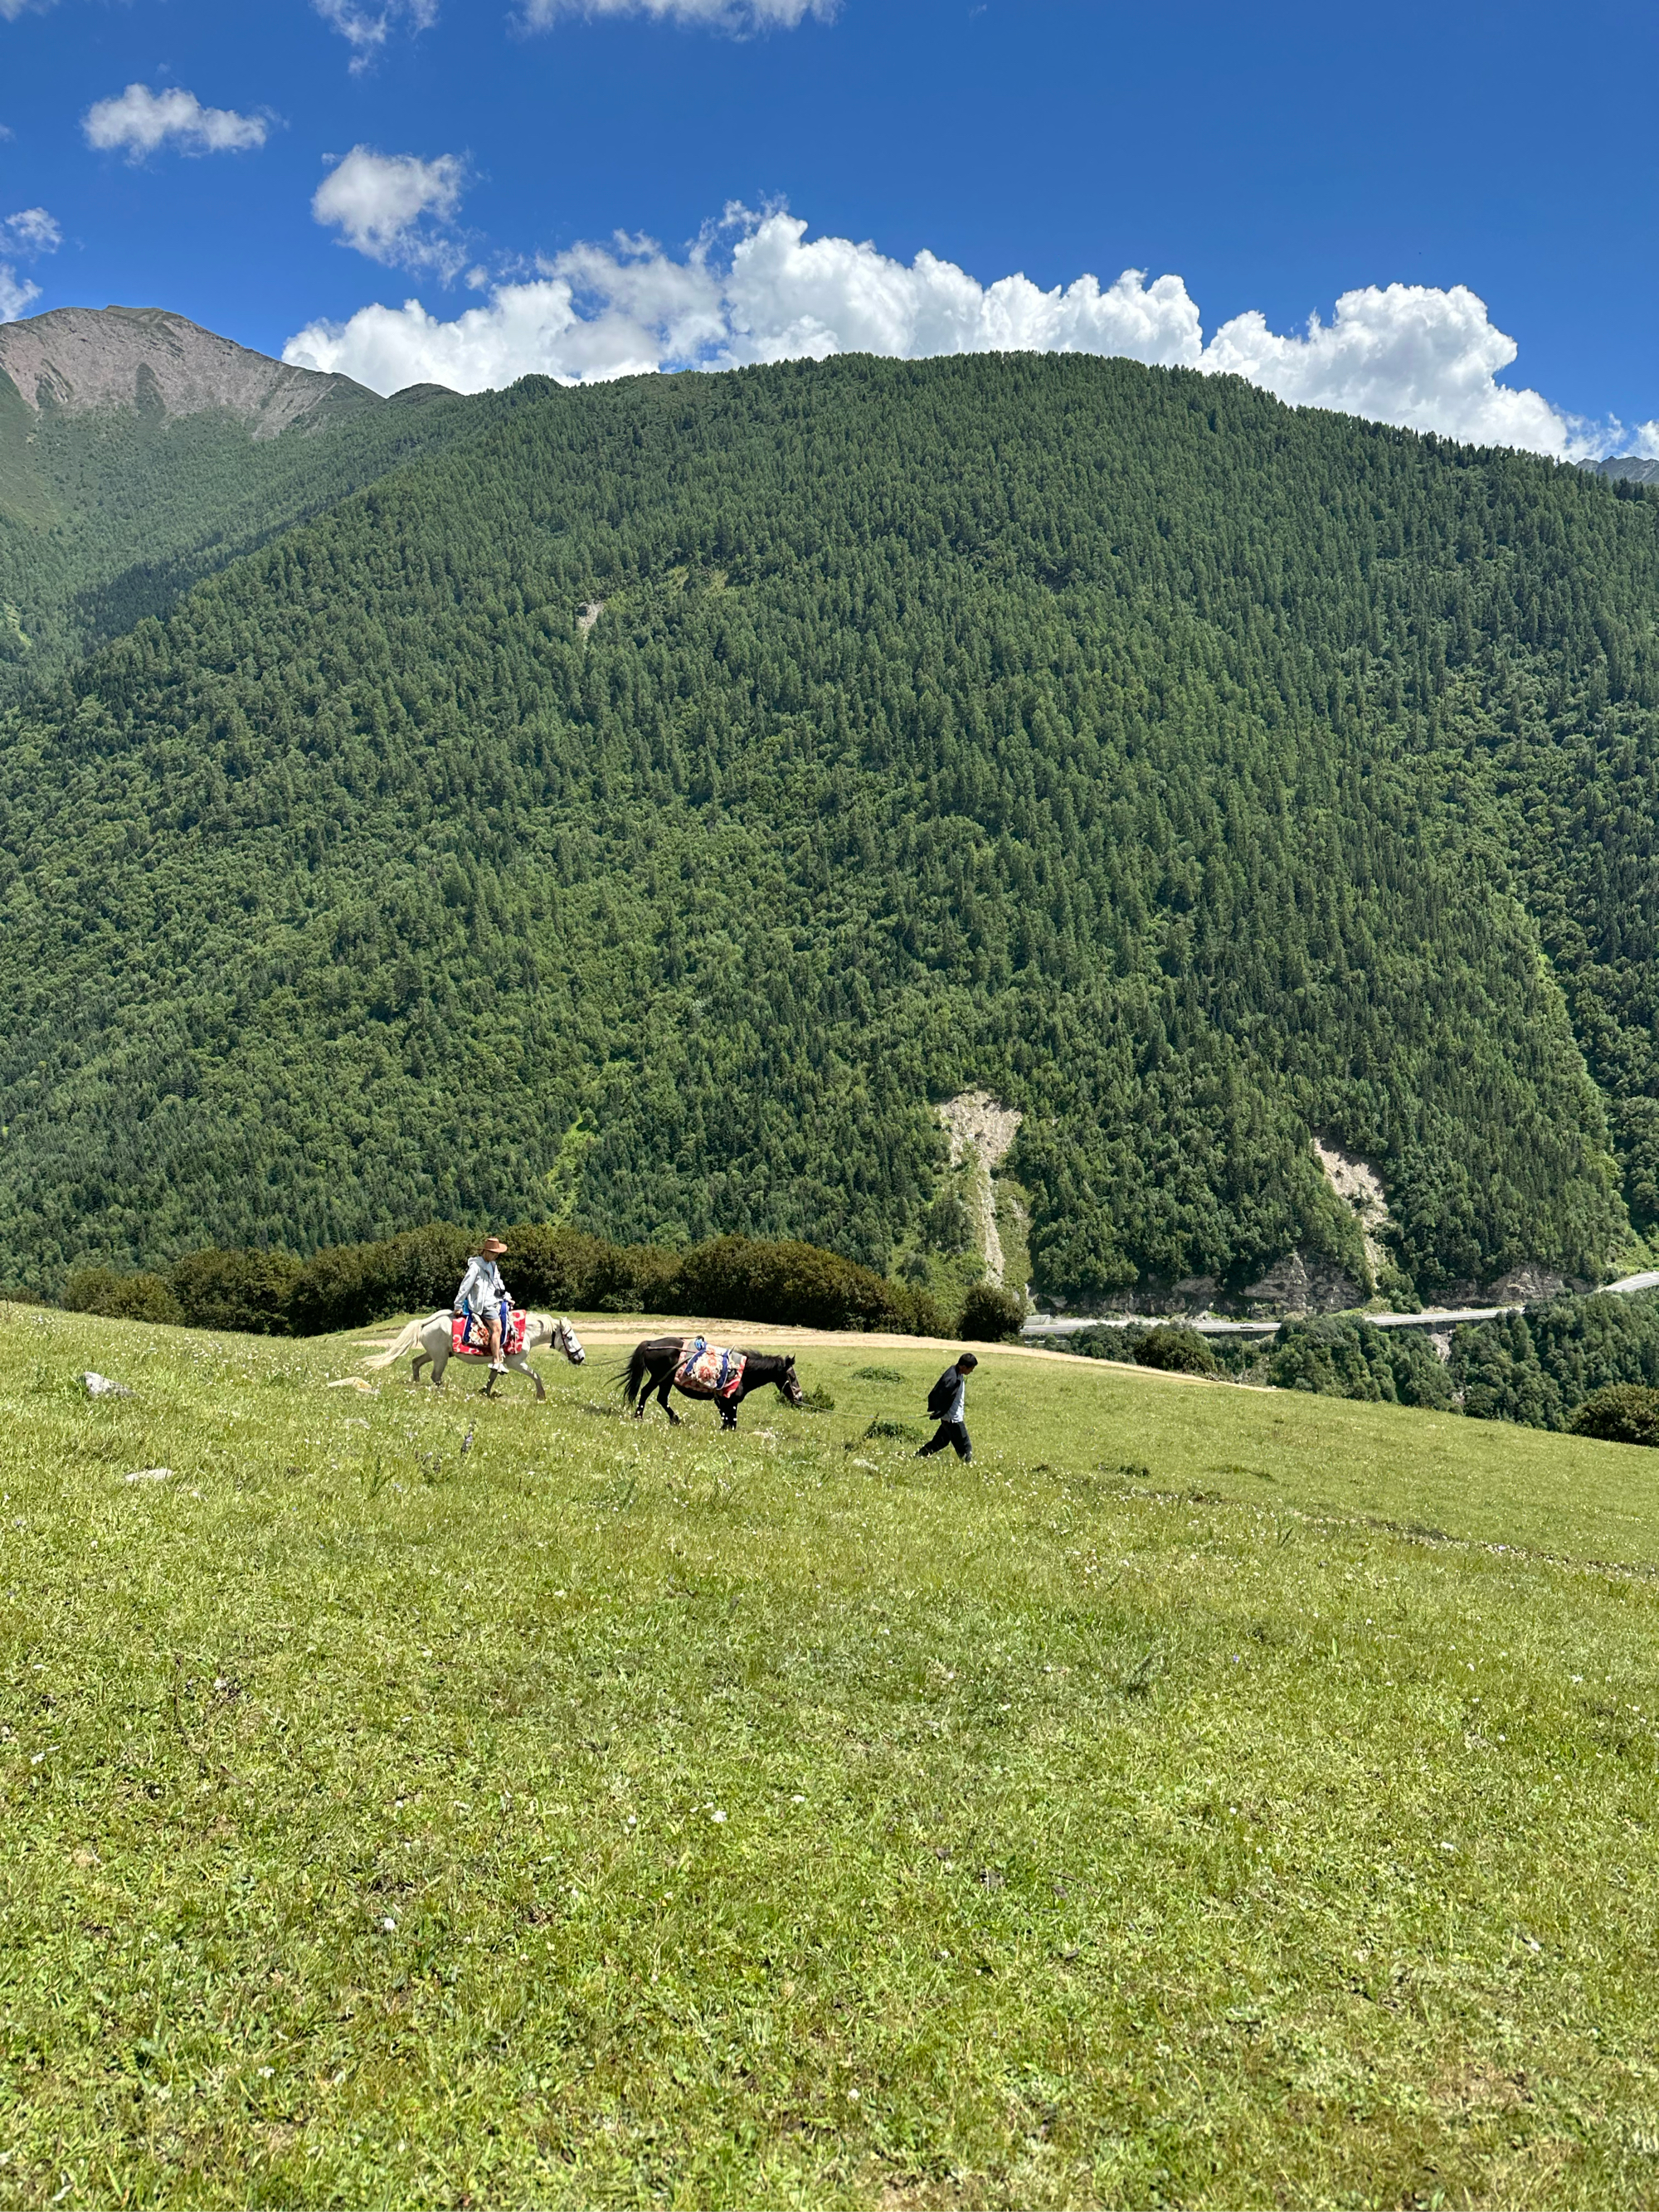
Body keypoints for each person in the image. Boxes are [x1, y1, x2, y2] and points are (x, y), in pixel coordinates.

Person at [455, 1235, 512, 1374]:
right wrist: (458, 1305)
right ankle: (496, 1361)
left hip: (494, 1300)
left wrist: (506, 1297)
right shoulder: (475, 1267)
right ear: (485, 1252)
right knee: (497, 1327)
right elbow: (465, 1286)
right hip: (483, 1304)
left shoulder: (493, 1266)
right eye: (493, 1253)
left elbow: (499, 1283)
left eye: (497, 1254)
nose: (496, 1256)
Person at [917, 1350, 978, 1461]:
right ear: (964, 1367)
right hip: (953, 1420)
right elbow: (939, 1394)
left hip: (948, 1419)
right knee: (965, 1447)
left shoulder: (955, 1371)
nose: (972, 1371)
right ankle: (968, 1466)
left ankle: (918, 1456)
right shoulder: (952, 1379)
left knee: (940, 1442)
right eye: (971, 1369)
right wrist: (938, 1411)